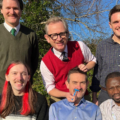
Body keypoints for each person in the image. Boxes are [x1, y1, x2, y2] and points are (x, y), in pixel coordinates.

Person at [40, 16, 96, 102]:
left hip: (82, 96)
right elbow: (50, 88)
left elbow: (93, 60)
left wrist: (86, 67)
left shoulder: (79, 46)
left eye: (62, 33)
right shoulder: (45, 62)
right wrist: (66, 94)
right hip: (60, 99)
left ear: (68, 34)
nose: (59, 39)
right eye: (54, 35)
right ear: (47, 38)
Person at [0, 0, 38, 92]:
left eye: (15, 8)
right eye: (8, 8)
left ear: (21, 11)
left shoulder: (31, 35)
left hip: (24, 93)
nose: (12, 12)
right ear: (1, 10)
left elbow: (33, 64)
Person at [90, 5, 120, 105]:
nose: (119, 25)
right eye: (116, 22)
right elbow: (97, 73)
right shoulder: (102, 46)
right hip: (106, 97)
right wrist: (94, 97)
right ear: (110, 25)